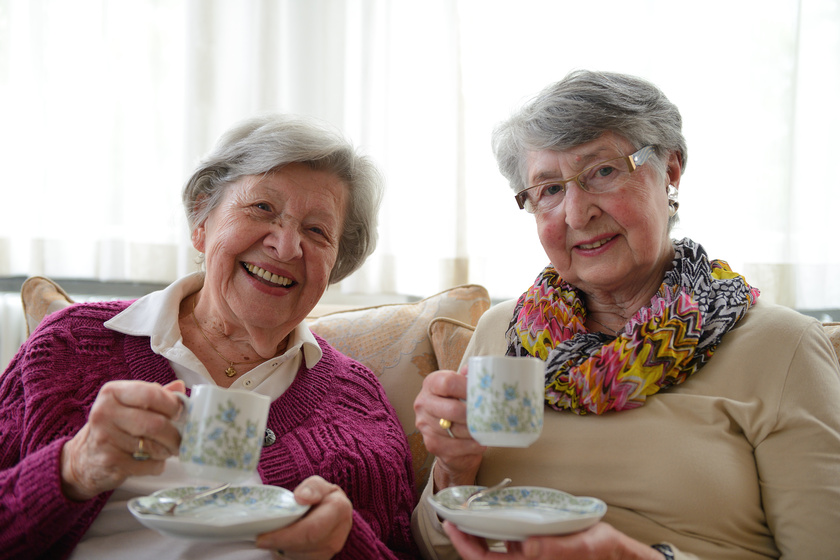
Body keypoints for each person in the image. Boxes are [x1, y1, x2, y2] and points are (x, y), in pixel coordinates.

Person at [411, 70, 840, 559]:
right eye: (548, 189)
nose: (576, 214)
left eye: (602, 172)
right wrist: (454, 470)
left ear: (671, 172)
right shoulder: (501, 333)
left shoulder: (781, 347)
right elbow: (433, 549)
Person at [0, 114, 418, 560]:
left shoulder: (358, 405)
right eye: (263, 208)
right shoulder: (69, 344)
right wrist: (73, 467)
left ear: (334, 265)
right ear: (202, 221)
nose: (286, 245)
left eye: (316, 231)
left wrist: (345, 546)